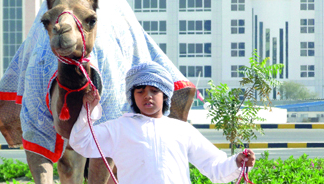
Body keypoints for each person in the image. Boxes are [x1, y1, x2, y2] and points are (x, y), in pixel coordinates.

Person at [70, 61, 255, 184]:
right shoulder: (118, 128)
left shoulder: (182, 130)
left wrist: (237, 162)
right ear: (133, 96)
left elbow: (214, 166)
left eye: (154, 91)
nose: (147, 96)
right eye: (140, 91)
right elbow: (81, 142)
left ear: (165, 95)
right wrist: (90, 109)